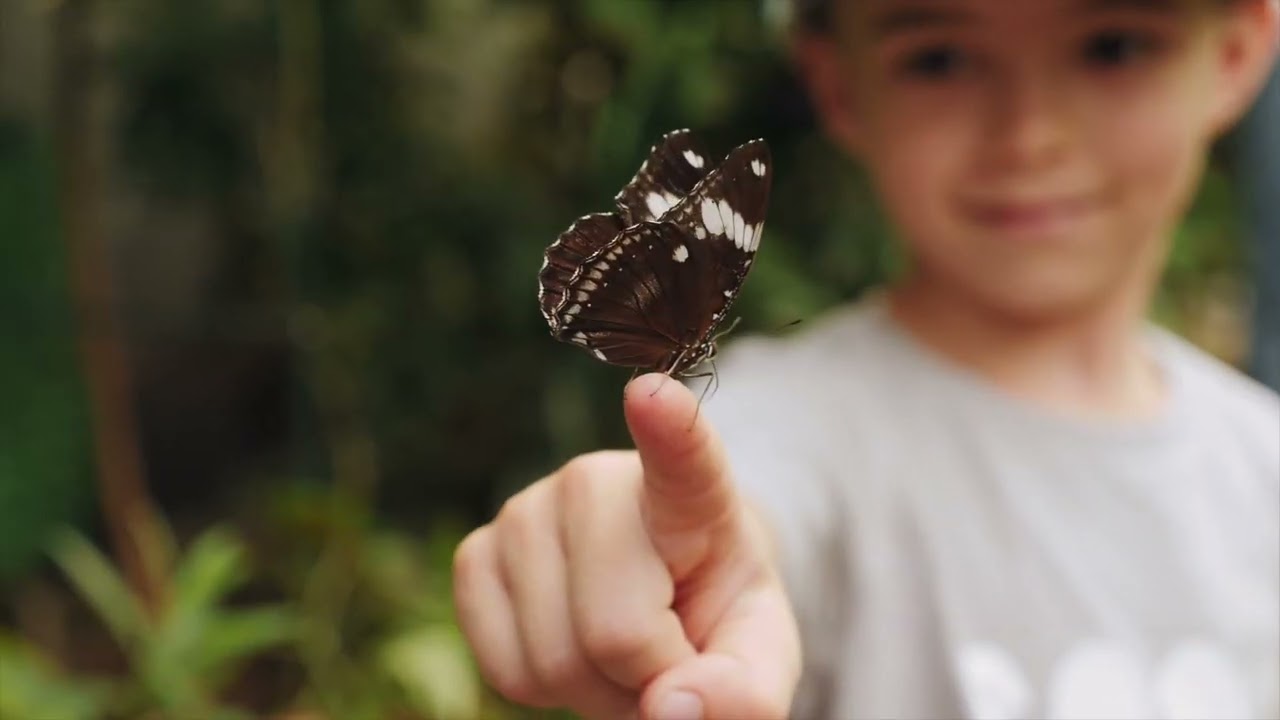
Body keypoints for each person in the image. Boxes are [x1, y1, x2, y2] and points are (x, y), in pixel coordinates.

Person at [451, 1, 1280, 718]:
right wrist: (664, 551)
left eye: (1114, 45)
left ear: (1238, 54)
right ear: (841, 88)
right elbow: (739, 507)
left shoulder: (1261, 456)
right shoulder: (793, 420)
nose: (1030, 135)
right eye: (939, 58)